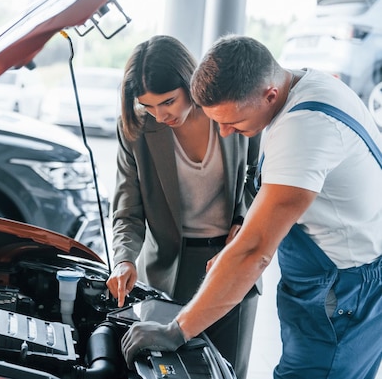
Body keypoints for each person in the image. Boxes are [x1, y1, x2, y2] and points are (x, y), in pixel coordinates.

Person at [121, 34, 382, 379]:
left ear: (268, 95)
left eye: (233, 122)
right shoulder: (305, 83)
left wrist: (176, 330)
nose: (225, 133)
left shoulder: (303, 130)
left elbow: (254, 252)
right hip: (332, 279)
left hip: (343, 292)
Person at [106, 35, 259, 379]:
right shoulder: (135, 130)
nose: (160, 115)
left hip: (230, 262)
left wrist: (244, 220)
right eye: (148, 106)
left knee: (228, 371)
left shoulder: (232, 109)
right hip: (167, 273)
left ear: (190, 81)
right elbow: (127, 210)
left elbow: (258, 176)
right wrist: (123, 259)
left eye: (168, 102)